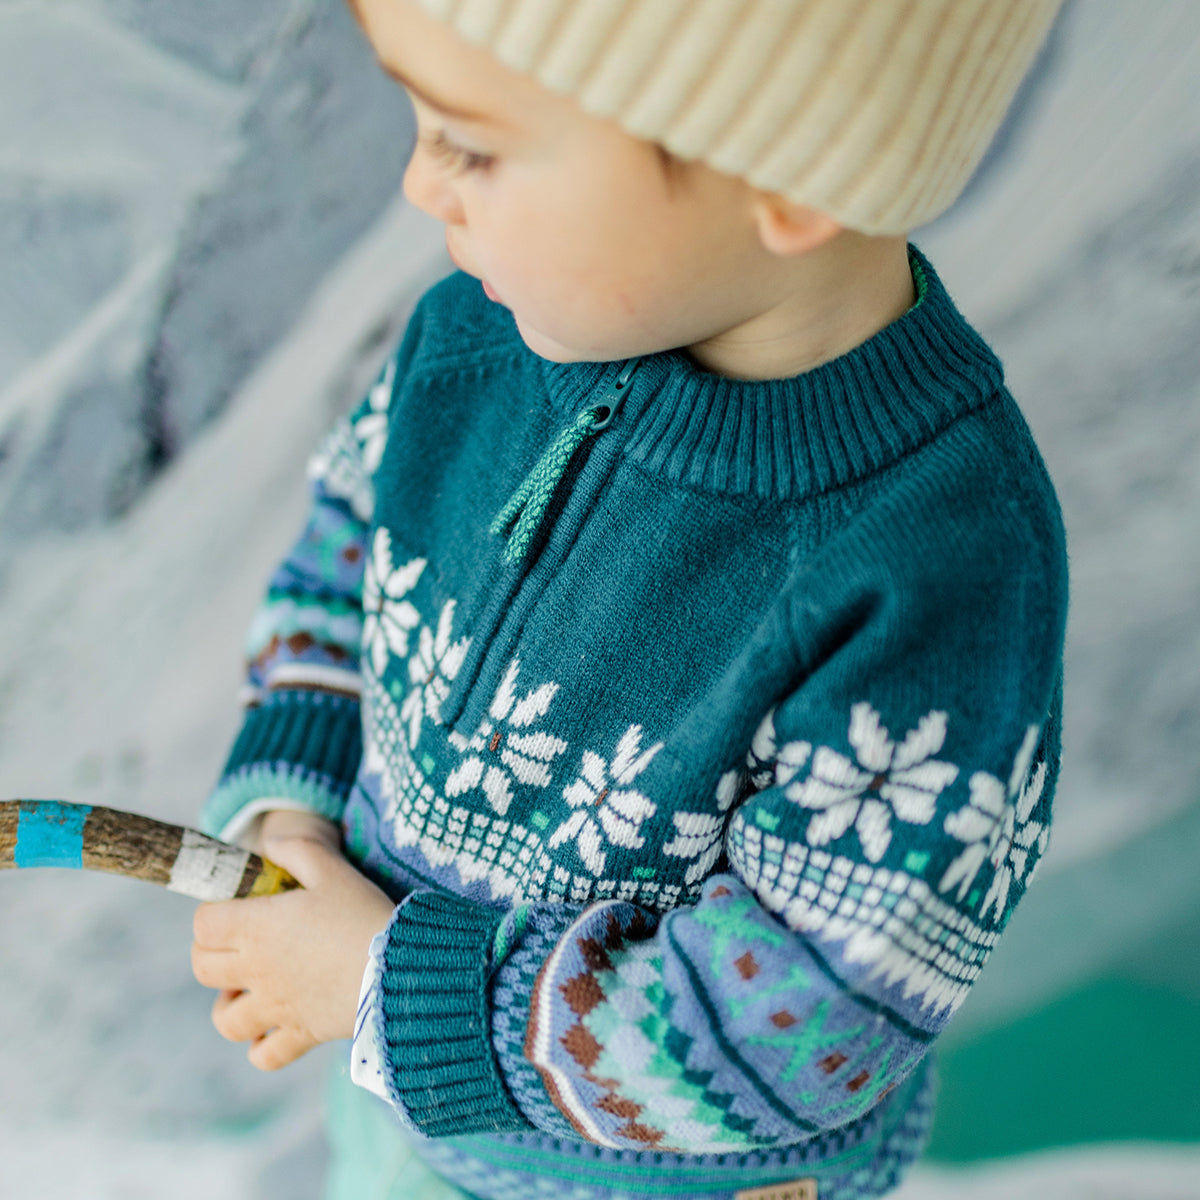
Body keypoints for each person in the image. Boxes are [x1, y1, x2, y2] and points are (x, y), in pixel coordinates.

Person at [189, 2, 1069, 1198]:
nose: (419, 185)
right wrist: (288, 815)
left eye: (474, 145)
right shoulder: (473, 342)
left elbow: (810, 1018)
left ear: (789, 162)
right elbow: (343, 565)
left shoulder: (932, 567)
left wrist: (374, 985)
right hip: (406, 1128)